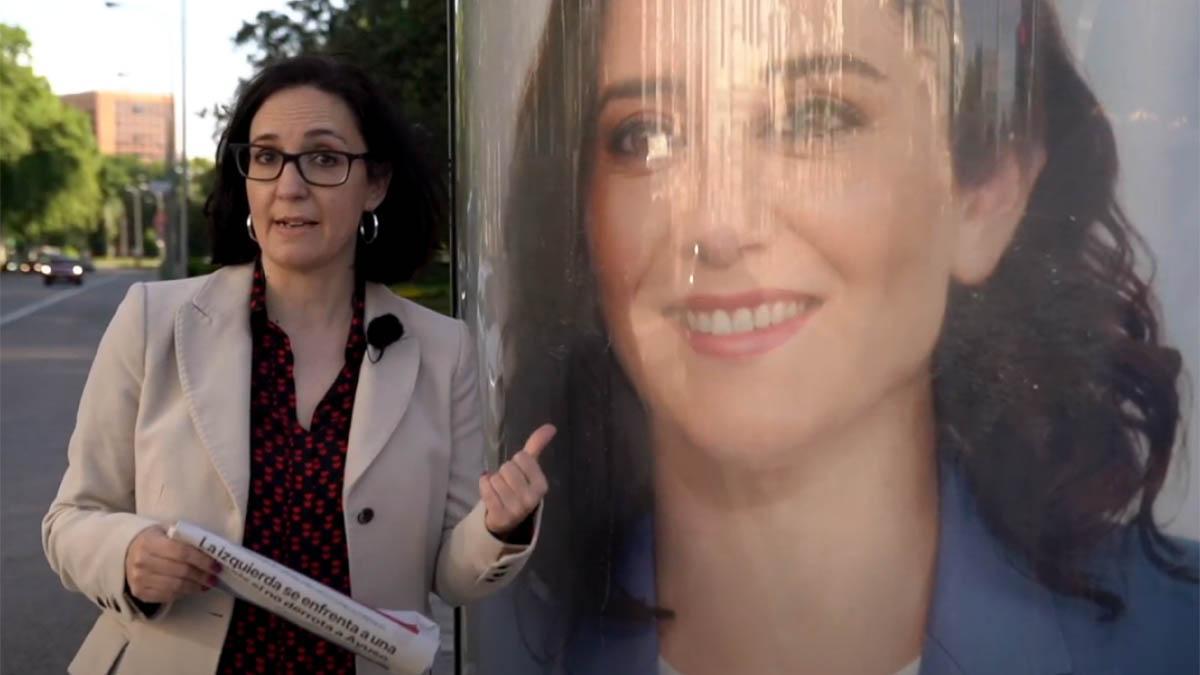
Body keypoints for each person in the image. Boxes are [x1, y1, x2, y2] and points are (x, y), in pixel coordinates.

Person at [476, 0, 1199, 673]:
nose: (717, 226)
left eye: (816, 117)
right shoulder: (481, 638)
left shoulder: (1176, 639)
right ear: (581, 214)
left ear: (987, 192)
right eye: (646, 134)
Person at [42, 55, 554, 675]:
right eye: (266, 157)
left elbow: (452, 569)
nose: (290, 186)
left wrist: (500, 525)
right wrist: (126, 554)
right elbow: (72, 519)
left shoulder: (442, 349)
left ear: (376, 183)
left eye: (323, 158)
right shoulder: (154, 320)